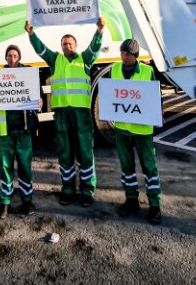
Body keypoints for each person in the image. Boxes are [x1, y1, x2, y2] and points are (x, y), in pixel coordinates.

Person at [25, 17, 105, 207]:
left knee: (85, 153)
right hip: (61, 115)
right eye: (64, 44)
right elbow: (40, 49)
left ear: (75, 46)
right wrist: (31, 33)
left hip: (82, 115)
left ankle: (87, 191)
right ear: (61, 46)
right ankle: (67, 189)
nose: (67, 46)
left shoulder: (85, 59)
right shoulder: (55, 60)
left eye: (70, 43)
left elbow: (95, 47)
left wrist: (99, 31)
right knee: (65, 153)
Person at [111, 39, 162, 225]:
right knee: (127, 167)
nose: (123, 57)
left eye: (127, 54)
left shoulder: (147, 72)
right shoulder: (114, 69)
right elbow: (112, 93)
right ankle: (131, 200)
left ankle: (154, 205)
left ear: (135, 55)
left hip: (142, 130)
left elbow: (155, 98)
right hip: (122, 128)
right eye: (122, 53)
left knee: (149, 167)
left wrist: (157, 118)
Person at [0, 44, 41, 219]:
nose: (12, 59)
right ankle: (5, 202)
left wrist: (40, 101)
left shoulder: (28, 74)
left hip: (24, 130)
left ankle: (27, 200)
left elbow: (38, 95)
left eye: (15, 56)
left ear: (19, 57)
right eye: (9, 56)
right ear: (5, 58)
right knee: (5, 167)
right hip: (5, 131)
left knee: (25, 166)